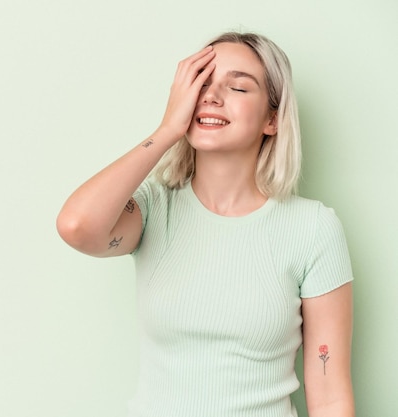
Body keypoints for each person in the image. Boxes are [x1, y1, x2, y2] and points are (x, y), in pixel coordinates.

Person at [56, 32, 354, 417]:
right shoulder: (152, 209)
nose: (211, 96)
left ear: (272, 119)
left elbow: (330, 397)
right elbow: (77, 225)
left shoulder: (313, 228)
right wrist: (166, 131)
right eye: (201, 83)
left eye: (238, 87)